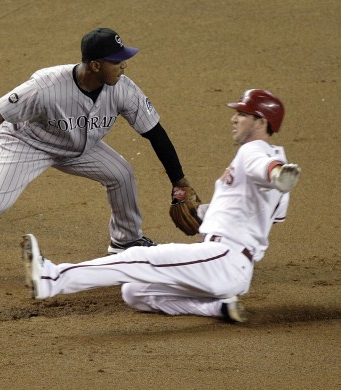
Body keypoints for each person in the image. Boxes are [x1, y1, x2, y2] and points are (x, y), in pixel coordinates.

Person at [0, 27, 193, 285]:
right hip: (26, 143)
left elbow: (155, 133)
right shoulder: (46, 86)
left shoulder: (123, 90)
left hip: (77, 147)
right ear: (94, 65)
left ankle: (126, 240)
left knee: (121, 173)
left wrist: (179, 181)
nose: (124, 65)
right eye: (116, 61)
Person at [22, 89, 301, 322]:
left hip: (223, 259)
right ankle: (219, 307)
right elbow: (263, 214)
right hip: (231, 268)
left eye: (242, 114)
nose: (235, 118)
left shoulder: (255, 152)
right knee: (134, 292)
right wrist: (203, 214)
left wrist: (278, 174)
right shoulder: (272, 160)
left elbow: (266, 168)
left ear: (261, 121)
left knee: (136, 257)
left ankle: (52, 277)